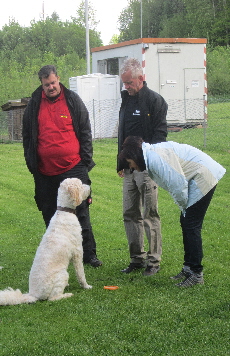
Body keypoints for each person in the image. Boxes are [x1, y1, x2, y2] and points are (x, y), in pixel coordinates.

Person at [22, 65, 102, 267]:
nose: (51, 87)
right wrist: (33, 163)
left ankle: (89, 255)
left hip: (73, 167)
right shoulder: (34, 105)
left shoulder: (72, 100)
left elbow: (85, 131)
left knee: (81, 211)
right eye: (47, 84)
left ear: (58, 78)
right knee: (50, 213)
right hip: (44, 171)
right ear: (42, 84)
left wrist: (84, 162)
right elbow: (27, 136)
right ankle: (57, 254)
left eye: (53, 83)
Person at [119, 136, 226, 287]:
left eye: (130, 163)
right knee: (187, 222)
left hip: (204, 175)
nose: (132, 168)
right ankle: (188, 268)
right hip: (197, 175)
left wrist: (184, 207)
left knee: (191, 225)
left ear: (135, 156)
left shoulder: (155, 159)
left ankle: (196, 274)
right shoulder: (150, 156)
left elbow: (178, 185)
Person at [117, 58, 168, 276]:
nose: (126, 87)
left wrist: (149, 162)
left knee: (150, 214)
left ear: (141, 78)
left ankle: (153, 262)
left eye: (129, 83)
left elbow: (160, 135)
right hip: (128, 168)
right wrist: (120, 163)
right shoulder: (125, 100)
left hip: (147, 168)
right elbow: (122, 135)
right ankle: (136, 259)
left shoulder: (155, 101)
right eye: (124, 83)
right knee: (130, 213)